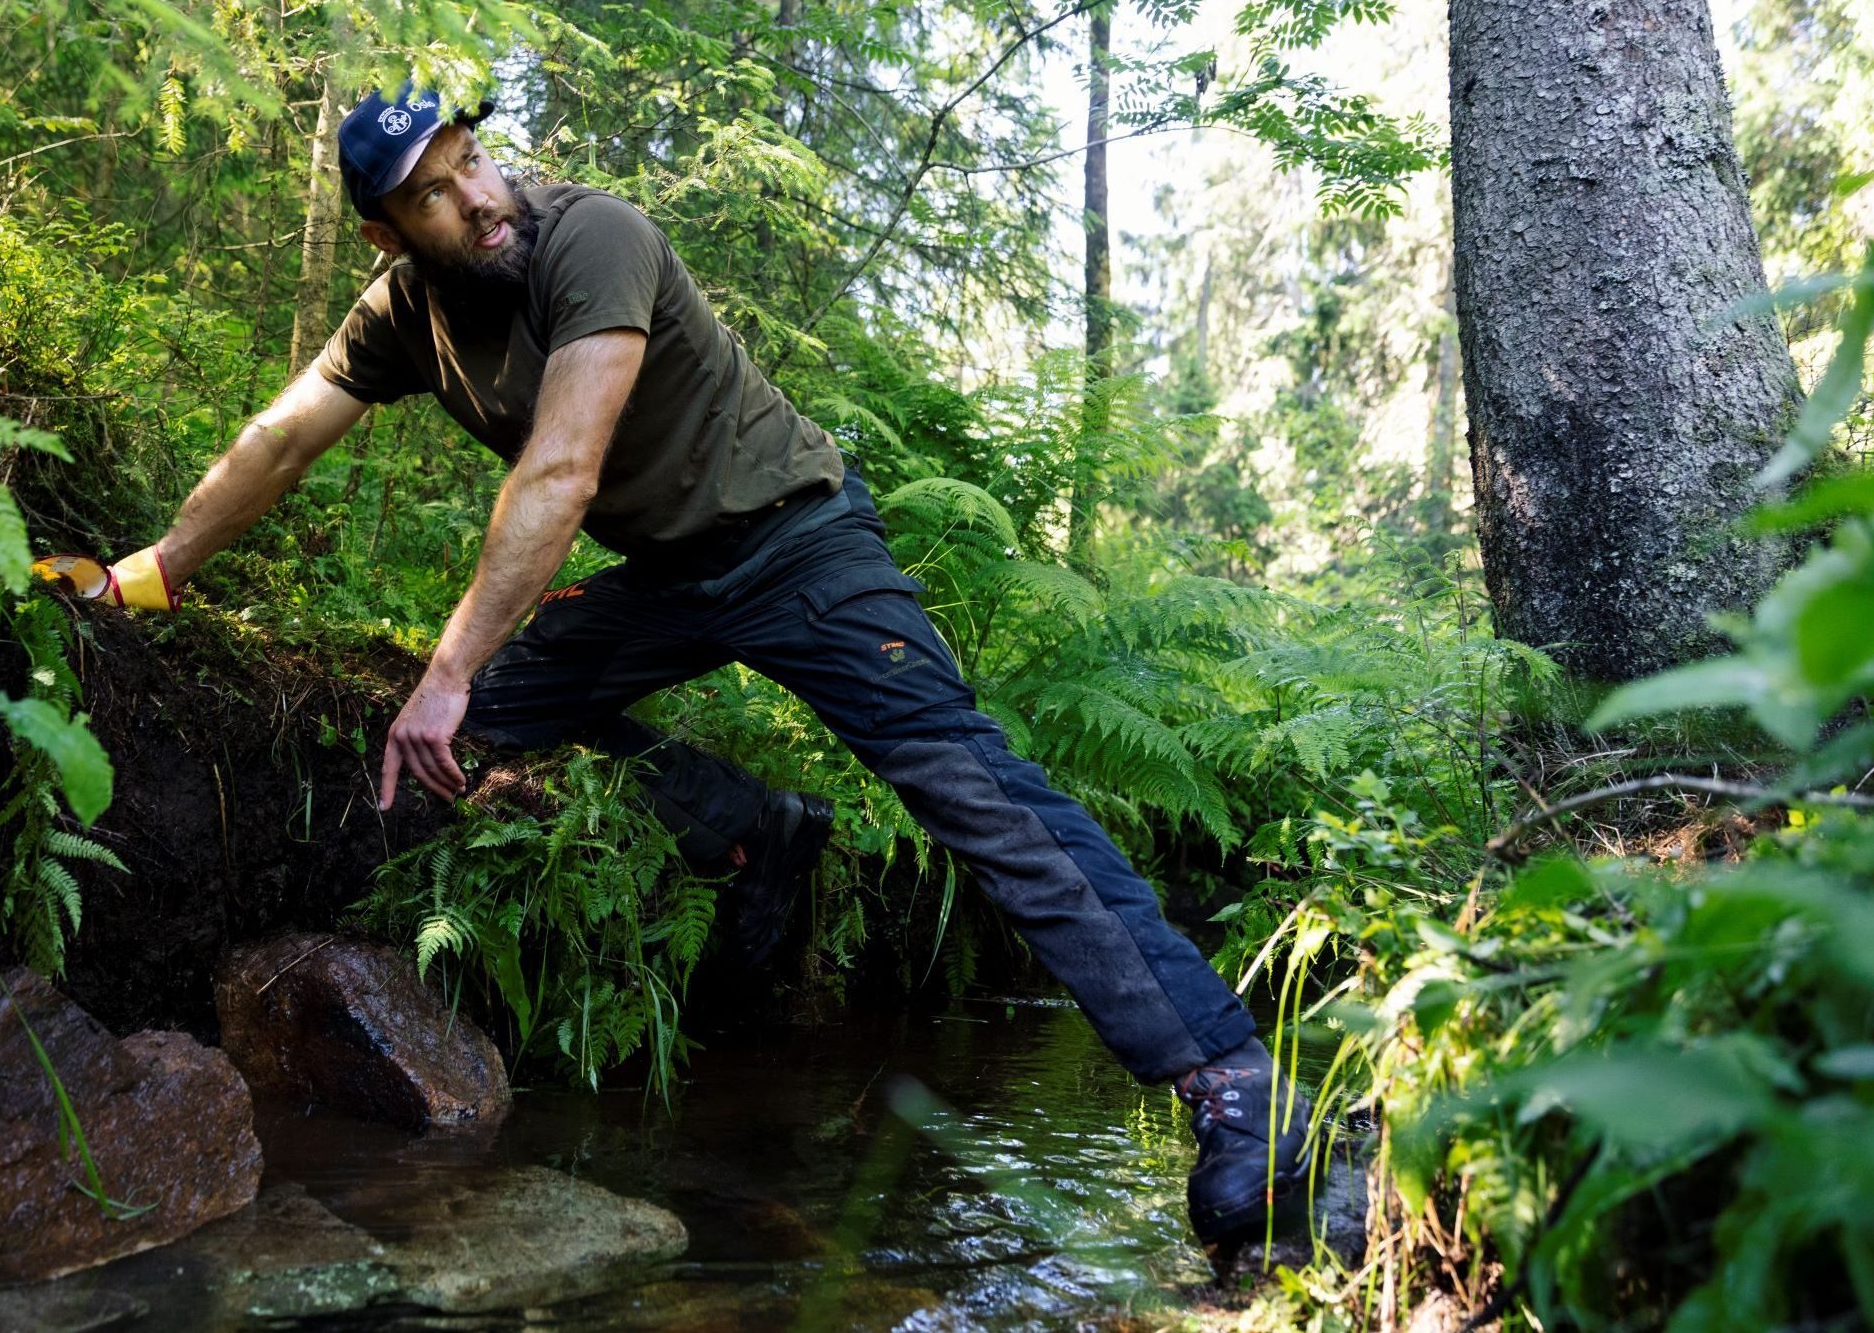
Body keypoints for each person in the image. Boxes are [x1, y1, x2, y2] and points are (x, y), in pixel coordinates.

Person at [104, 87, 1315, 1245]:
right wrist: (152, 572)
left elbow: (564, 471)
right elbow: (279, 439)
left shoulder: (596, 237)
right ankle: (757, 828)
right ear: (388, 231)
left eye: (471, 159)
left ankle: (1228, 1081)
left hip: (803, 549)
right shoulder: (402, 314)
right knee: (472, 736)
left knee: (972, 796)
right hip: (667, 585)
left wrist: (449, 658)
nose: (476, 197)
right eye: (434, 193)